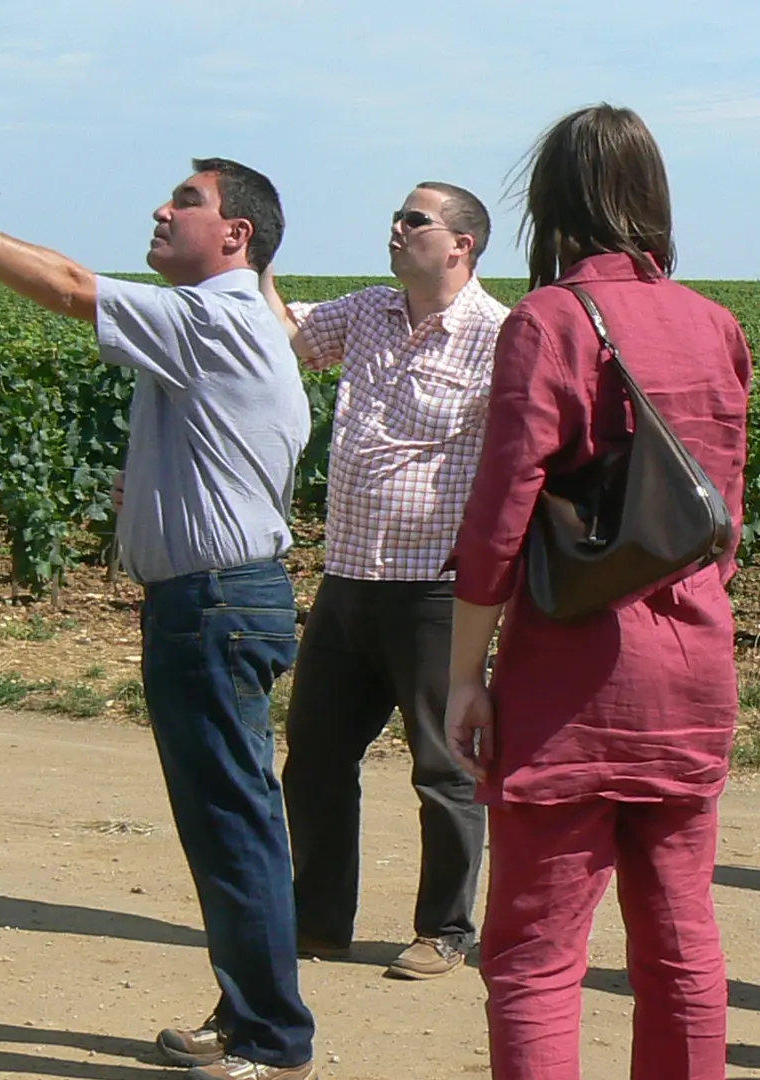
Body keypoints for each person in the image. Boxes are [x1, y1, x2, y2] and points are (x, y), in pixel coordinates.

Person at [0, 161, 317, 1080]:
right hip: (220, 600)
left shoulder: (215, 318)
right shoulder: (229, 321)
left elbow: (69, 286)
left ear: (237, 236)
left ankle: (274, 1039)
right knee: (226, 821)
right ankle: (247, 1014)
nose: (161, 207)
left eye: (186, 200)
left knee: (234, 824)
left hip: (216, 605)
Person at [442, 104, 750, 1080]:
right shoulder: (716, 327)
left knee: (534, 960)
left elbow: (499, 521)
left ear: (553, 204)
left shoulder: (547, 321)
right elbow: (723, 520)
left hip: (568, 684)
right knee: (681, 946)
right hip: (694, 671)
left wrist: (465, 675)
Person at [261, 183, 508, 981]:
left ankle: (445, 929)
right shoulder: (368, 310)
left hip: (435, 590)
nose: (395, 229)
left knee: (444, 768)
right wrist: (255, 260)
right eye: (397, 217)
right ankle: (321, 920)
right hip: (349, 576)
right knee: (317, 757)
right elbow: (283, 340)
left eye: (414, 220)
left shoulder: (500, 337)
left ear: (462, 244)